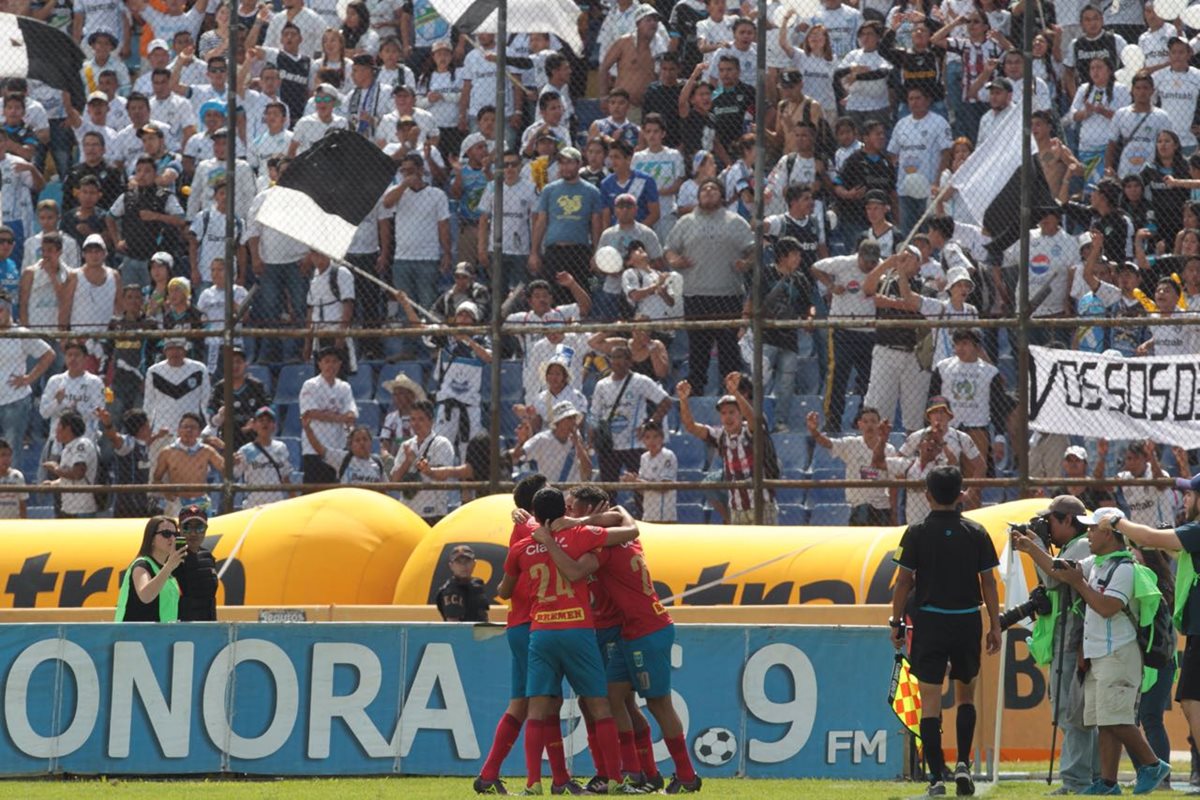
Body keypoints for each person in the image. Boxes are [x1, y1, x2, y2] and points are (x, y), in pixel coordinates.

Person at [496, 486, 626, 794]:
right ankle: (615, 779)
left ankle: (533, 783)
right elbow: (626, 533)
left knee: (537, 709)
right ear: (564, 511)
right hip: (578, 628)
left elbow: (504, 591)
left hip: (541, 631)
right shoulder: (579, 535)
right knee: (599, 704)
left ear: (534, 512)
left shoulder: (522, 547)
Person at [1044, 507, 1172, 795]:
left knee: (1118, 719)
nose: (1087, 534)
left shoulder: (1124, 568)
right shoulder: (1097, 563)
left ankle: (1153, 765)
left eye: (1092, 529)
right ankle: (1108, 783)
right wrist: (1031, 547)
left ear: (1110, 534)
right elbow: (1057, 570)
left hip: (1119, 654)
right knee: (1105, 721)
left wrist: (1079, 582)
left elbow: (1106, 607)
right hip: (1099, 655)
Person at [889, 465, 1000, 797]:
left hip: (931, 622)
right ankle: (963, 763)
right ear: (961, 494)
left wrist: (896, 622)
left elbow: (903, 582)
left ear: (927, 495)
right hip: (966, 620)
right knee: (966, 696)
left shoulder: (916, 533)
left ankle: (936, 779)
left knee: (930, 702)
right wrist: (994, 625)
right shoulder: (977, 532)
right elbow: (989, 583)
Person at [1011, 496, 1101, 794]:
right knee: (1074, 713)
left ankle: (1077, 780)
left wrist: (1034, 546)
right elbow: (1050, 580)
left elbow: (1054, 580)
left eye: (1049, 521)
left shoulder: (1082, 546)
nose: (1046, 527)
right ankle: (1093, 776)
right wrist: (1037, 547)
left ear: (1067, 520)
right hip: (1068, 640)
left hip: (1074, 641)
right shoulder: (1071, 546)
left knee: (1070, 713)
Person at [474, 473, 549, 796]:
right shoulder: (534, 530)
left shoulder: (523, 527)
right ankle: (546, 781)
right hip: (534, 624)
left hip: (520, 623)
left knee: (520, 703)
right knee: (543, 704)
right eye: (548, 493)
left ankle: (488, 775)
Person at [664, 177, 753, 395]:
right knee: (698, 351)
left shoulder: (735, 221)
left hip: (728, 295)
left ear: (722, 196)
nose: (708, 191)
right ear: (698, 196)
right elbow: (670, 249)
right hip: (696, 295)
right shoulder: (685, 222)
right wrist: (675, 261)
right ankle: (696, 395)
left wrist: (746, 263)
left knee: (729, 351)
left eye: (714, 189)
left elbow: (753, 250)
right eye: (704, 189)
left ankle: (732, 395)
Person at [677, 372, 778, 524]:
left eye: (732, 412)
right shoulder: (720, 436)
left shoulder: (749, 431)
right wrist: (683, 400)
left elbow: (754, 420)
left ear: (741, 414)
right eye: (723, 413)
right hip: (736, 507)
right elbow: (691, 427)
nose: (728, 417)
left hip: (761, 505)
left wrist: (735, 393)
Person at [589, 343, 670, 493]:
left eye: (622, 357)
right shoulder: (602, 385)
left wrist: (650, 424)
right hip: (609, 446)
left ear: (630, 361)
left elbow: (665, 401)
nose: (617, 361)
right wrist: (591, 437)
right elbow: (594, 414)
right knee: (608, 490)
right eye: (614, 357)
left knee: (640, 490)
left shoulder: (640, 381)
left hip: (635, 445)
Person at [807, 406, 895, 525]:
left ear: (879, 425)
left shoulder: (889, 449)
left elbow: (893, 481)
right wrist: (814, 431)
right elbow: (828, 443)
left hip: (881, 505)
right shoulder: (851, 443)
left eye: (873, 421)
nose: (869, 425)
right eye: (865, 421)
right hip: (858, 504)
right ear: (859, 425)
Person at [298, 346, 358, 486]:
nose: (331, 365)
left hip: (338, 448)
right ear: (320, 364)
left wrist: (336, 416)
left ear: (340, 364)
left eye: (334, 361)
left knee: (335, 490)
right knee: (314, 491)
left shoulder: (344, 387)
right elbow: (310, 413)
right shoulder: (310, 385)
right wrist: (340, 418)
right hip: (313, 449)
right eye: (327, 361)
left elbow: (351, 414)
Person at [391, 399, 455, 524]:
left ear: (431, 421)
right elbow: (394, 480)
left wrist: (419, 463)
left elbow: (443, 475)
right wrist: (407, 462)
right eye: (413, 419)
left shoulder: (441, 444)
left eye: (421, 419)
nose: (416, 424)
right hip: (408, 509)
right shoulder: (406, 445)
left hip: (433, 512)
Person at [115, 516, 186, 623]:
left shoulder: (167, 570)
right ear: (151, 539)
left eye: (175, 534)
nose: (172, 538)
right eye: (166, 534)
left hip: (162, 632)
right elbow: (146, 596)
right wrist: (169, 566)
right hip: (134, 632)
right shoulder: (141, 565)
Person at [153, 412, 223, 517]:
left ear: (199, 432)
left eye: (193, 427)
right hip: (177, 502)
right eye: (185, 427)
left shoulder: (207, 451)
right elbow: (156, 479)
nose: (188, 430)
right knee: (176, 527)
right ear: (178, 430)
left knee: (205, 527)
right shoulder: (167, 452)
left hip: (201, 501)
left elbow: (225, 469)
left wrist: (224, 448)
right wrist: (166, 492)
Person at [42, 410, 100, 519]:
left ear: (67, 429)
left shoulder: (81, 444)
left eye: (59, 425)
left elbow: (78, 473)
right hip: (69, 508)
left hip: (82, 510)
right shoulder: (68, 448)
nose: (56, 429)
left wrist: (55, 468)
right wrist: (53, 484)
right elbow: (68, 477)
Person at [174, 504, 218, 622]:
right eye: (187, 527)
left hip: (208, 625)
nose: (193, 533)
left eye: (199, 528)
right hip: (182, 626)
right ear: (179, 528)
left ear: (206, 529)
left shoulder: (208, 557)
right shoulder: (172, 558)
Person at [434, 544, 490, 622]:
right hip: (466, 629)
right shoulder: (451, 591)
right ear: (451, 566)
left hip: (482, 628)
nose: (463, 566)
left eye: (467, 561)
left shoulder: (477, 584)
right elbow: (454, 624)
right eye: (459, 562)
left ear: (474, 563)